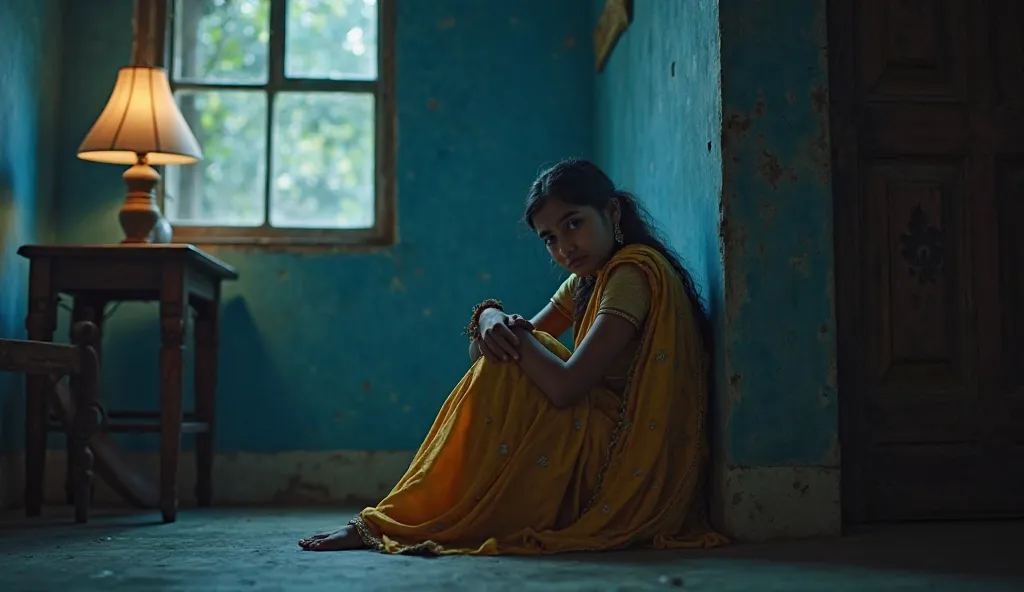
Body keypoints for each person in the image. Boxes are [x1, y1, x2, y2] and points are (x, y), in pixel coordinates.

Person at [298, 158, 728, 554]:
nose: (565, 247)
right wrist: (488, 318)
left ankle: (400, 520)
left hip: (621, 466)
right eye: (550, 239)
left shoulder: (631, 273)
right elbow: (487, 357)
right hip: (597, 442)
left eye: (573, 224)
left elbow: (565, 387)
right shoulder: (585, 282)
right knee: (516, 350)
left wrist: (512, 335)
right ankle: (402, 517)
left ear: (612, 213)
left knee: (526, 348)